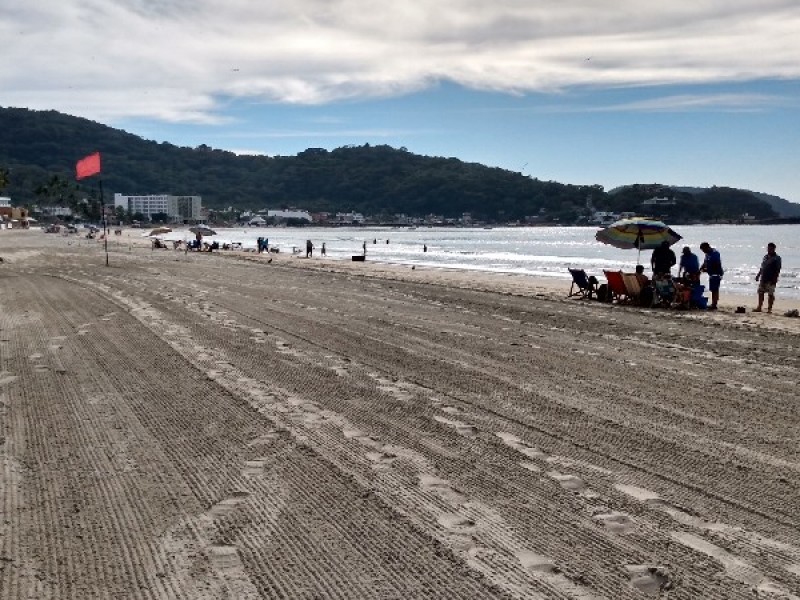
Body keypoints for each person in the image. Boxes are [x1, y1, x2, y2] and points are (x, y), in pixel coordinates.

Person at [755, 242, 781, 313]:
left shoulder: (777, 258)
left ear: (774, 249)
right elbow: (762, 267)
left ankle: (769, 309)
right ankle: (759, 307)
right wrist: (758, 275)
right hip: (763, 278)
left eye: (770, 248)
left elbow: (777, 270)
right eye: (768, 248)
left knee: (770, 294)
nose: (769, 250)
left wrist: (775, 279)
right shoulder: (765, 257)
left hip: (771, 279)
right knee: (760, 292)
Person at [699, 242, 723, 310]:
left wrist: (707, 269)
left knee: (715, 289)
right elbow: (705, 262)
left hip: (716, 273)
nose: (703, 252)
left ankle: (714, 304)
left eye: (703, 250)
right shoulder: (707, 254)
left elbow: (717, 264)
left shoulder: (715, 253)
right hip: (711, 273)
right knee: (713, 289)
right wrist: (700, 269)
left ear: (707, 247)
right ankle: (714, 303)